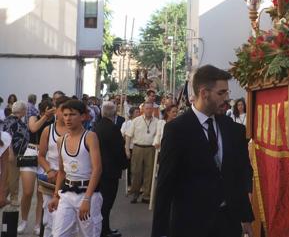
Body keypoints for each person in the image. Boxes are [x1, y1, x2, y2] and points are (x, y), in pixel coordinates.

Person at [151, 65, 254, 237]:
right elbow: (165, 184)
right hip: (189, 225)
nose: (227, 98)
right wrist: (160, 232)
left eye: (227, 93)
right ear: (204, 93)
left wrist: (246, 216)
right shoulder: (176, 130)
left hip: (228, 224)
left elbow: (238, 176)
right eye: (221, 93)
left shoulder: (233, 129)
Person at [48, 99, 102, 237]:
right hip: (67, 193)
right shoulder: (61, 140)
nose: (68, 118)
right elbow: (61, 171)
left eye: (72, 114)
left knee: (89, 234)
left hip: (88, 193)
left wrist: (87, 199)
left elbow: (97, 169)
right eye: (65, 115)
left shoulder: (90, 137)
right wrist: (55, 195)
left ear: (83, 117)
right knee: (58, 234)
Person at [95, 102, 129, 237]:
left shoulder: (96, 127)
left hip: (98, 170)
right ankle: (103, 231)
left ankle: (105, 228)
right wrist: (125, 164)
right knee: (107, 203)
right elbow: (118, 150)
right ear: (114, 114)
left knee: (101, 202)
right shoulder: (114, 129)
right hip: (110, 172)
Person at [22, 99, 55, 234]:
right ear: (44, 109)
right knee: (27, 192)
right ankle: (23, 220)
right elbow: (33, 128)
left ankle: (38, 223)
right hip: (30, 152)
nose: (53, 111)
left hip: (45, 156)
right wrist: (45, 117)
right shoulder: (33, 117)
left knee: (41, 193)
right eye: (51, 109)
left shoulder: (54, 122)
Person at [38, 96, 69, 237]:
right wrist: (49, 170)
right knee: (49, 219)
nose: (63, 114)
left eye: (67, 111)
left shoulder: (75, 132)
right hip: (50, 179)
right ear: (56, 111)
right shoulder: (47, 131)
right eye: (61, 110)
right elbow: (41, 155)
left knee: (64, 219)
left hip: (69, 180)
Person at [125, 102, 157, 204]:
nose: (149, 111)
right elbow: (128, 135)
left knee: (149, 172)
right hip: (138, 148)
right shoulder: (136, 121)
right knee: (136, 172)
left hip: (150, 149)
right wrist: (127, 149)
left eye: (150, 109)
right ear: (143, 110)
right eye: (147, 109)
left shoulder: (157, 122)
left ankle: (146, 195)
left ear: (153, 110)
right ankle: (135, 193)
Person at [3, 101, 30, 209]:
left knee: (11, 178)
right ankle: (13, 198)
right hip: (12, 153)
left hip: (18, 153)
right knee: (12, 177)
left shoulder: (16, 120)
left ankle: (4, 197)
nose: (26, 112)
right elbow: (7, 137)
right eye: (25, 110)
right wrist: (10, 153)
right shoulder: (11, 121)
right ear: (22, 111)